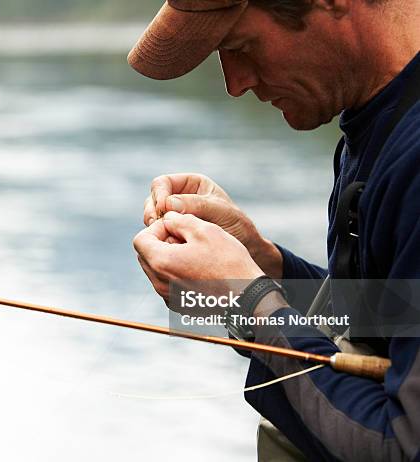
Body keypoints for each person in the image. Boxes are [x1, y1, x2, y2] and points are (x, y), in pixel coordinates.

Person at [129, 0, 420, 460]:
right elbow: (396, 320)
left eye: (242, 46)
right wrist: (263, 265)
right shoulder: (380, 120)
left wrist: (247, 302)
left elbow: (405, 446)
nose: (236, 83)